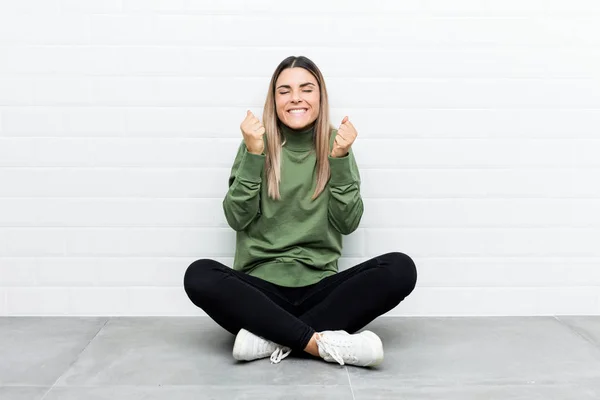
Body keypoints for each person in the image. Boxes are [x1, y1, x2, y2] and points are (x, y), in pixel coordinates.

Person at [183, 56, 417, 367]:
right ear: (274, 99)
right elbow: (236, 217)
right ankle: (318, 343)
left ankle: (269, 337)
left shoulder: (337, 144)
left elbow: (348, 223)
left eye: (306, 89)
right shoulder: (256, 144)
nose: (296, 97)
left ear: (320, 97)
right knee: (199, 275)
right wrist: (254, 155)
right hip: (261, 291)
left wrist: (340, 159)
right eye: (285, 90)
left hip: (321, 288)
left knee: (400, 268)